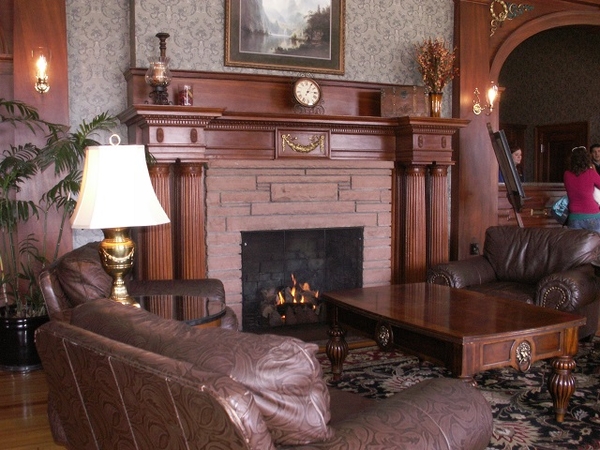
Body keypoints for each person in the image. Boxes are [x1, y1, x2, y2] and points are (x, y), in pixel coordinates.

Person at [563, 146, 600, 232]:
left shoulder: (566, 174)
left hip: (574, 216)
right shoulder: (591, 173)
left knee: (576, 244)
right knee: (597, 244)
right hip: (592, 214)